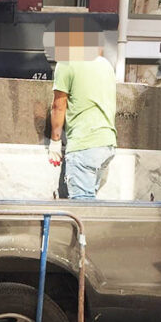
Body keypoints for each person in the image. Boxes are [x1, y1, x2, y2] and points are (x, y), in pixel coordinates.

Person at [45, 17, 118, 200]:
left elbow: (58, 105)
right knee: (89, 200)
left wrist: (55, 141)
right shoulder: (106, 65)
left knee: (82, 206)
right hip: (107, 143)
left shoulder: (67, 63)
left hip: (84, 144)